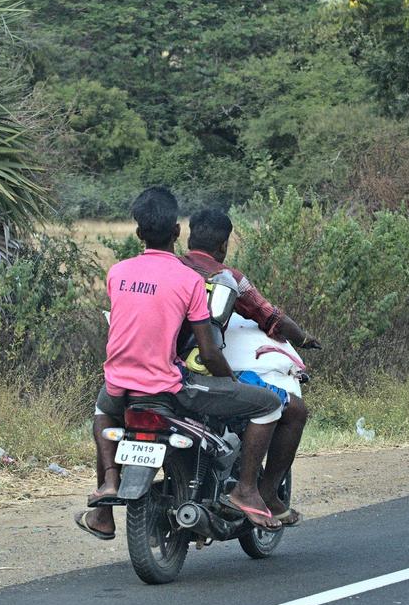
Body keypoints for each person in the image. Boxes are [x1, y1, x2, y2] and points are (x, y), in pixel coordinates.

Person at [75, 187, 285, 542]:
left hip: (119, 388)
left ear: (138, 233)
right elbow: (208, 351)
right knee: (269, 405)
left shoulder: (117, 272)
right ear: (176, 232)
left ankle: (106, 498)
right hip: (167, 387)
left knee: (101, 411)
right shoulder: (189, 280)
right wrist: (230, 382)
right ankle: (247, 489)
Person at [179, 207, 319, 525]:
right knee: (292, 409)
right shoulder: (229, 280)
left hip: (159, 374)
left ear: (187, 237)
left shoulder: (170, 270)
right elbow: (272, 317)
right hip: (204, 373)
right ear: (224, 246)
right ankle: (260, 490)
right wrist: (305, 337)